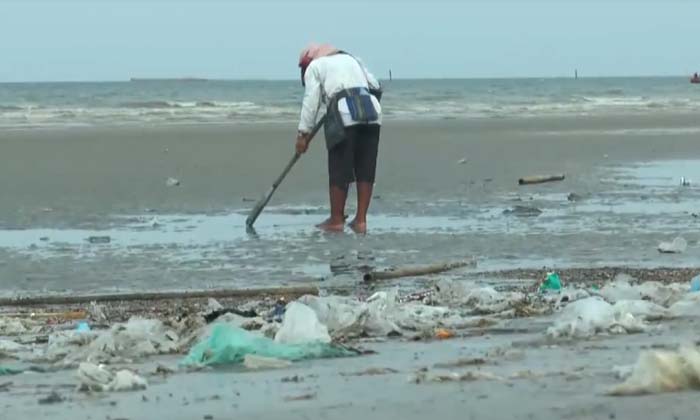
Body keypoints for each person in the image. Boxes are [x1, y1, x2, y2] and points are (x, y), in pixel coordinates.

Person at [295, 44, 382, 234]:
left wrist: (303, 134)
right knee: (365, 167)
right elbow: (376, 86)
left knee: (339, 166)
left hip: (344, 110)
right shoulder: (353, 59)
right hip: (372, 111)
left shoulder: (316, 67)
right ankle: (360, 220)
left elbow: (311, 101)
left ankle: (336, 220)